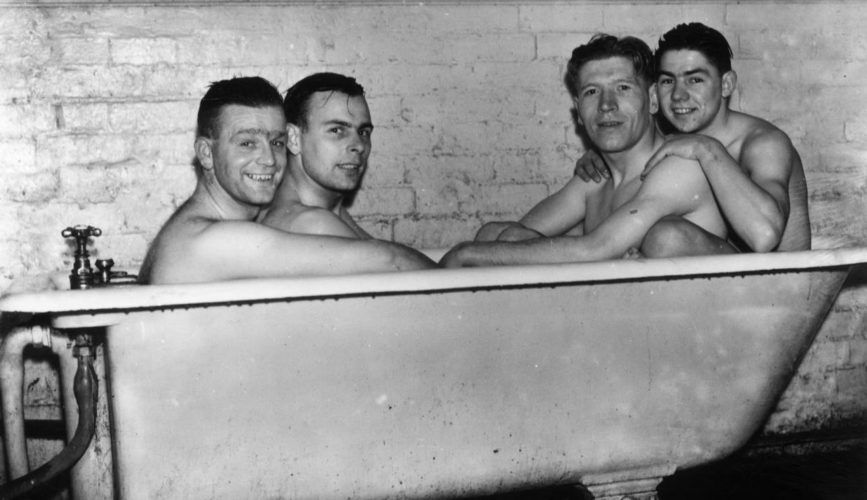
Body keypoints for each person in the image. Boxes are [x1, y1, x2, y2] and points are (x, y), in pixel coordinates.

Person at [440, 34, 728, 267]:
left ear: (653, 100)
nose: (606, 105)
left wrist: (466, 254)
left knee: (664, 238)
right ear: (578, 111)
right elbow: (508, 240)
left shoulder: (678, 165)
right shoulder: (595, 179)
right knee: (494, 234)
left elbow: (596, 249)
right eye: (592, 92)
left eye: (623, 88)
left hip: (710, 311)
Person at [140, 76, 436, 285]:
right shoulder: (212, 240)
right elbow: (388, 260)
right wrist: (453, 270)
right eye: (247, 143)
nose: (269, 159)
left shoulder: (203, 225)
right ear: (206, 153)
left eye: (277, 142)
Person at [573, 23, 810, 254]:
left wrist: (707, 149)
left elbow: (764, 236)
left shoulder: (763, 143)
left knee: (667, 236)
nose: (678, 95)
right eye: (668, 81)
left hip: (782, 277)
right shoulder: (676, 138)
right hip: (717, 275)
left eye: (694, 80)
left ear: (726, 84)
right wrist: (606, 155)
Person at [257, 72, 375, 238]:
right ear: (293, 139)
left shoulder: (330, 211)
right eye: (337, 130)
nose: (359, 146)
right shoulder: (311, 223)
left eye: (363, 132)